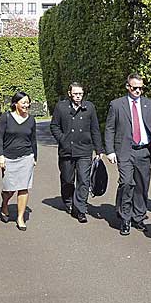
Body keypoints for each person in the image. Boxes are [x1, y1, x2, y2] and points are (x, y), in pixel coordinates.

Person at [105, 73, 151, 236]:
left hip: (144, 151)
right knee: (126, 183)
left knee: (141, 185)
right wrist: (110, 151)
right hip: (125, 150)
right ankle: (125, 218)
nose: (138, 91)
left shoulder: (150, 104)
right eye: (134, 88)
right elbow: (110, 128)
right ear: (128, 87)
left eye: (141, 88)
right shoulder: (117, 105)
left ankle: (138, 217)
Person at [50, 82, 104, 223]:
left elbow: (95, 129)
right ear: (69, 93)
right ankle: (68, 201)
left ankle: (80, 209)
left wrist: (99, 149)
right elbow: (54, 126)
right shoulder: (61, 107)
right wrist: (63, 139)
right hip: (66, 150)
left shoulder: (89, 107)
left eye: (80, 94)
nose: (78, 96)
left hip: (85, 150)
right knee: (67, 179)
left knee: (84, 180)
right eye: (75, 94)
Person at [0, 91, 38, 231]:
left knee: (23, 188)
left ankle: (20, 217)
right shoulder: (6, 117)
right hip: (8, 157)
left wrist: (34, 157)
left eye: (28, 102)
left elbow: (33, 140)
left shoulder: (31, 120)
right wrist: (0, 155)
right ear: (15, 104)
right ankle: (5, 204)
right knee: (9, 189)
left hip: (26, 156)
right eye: (24, 102)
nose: (26, 105)